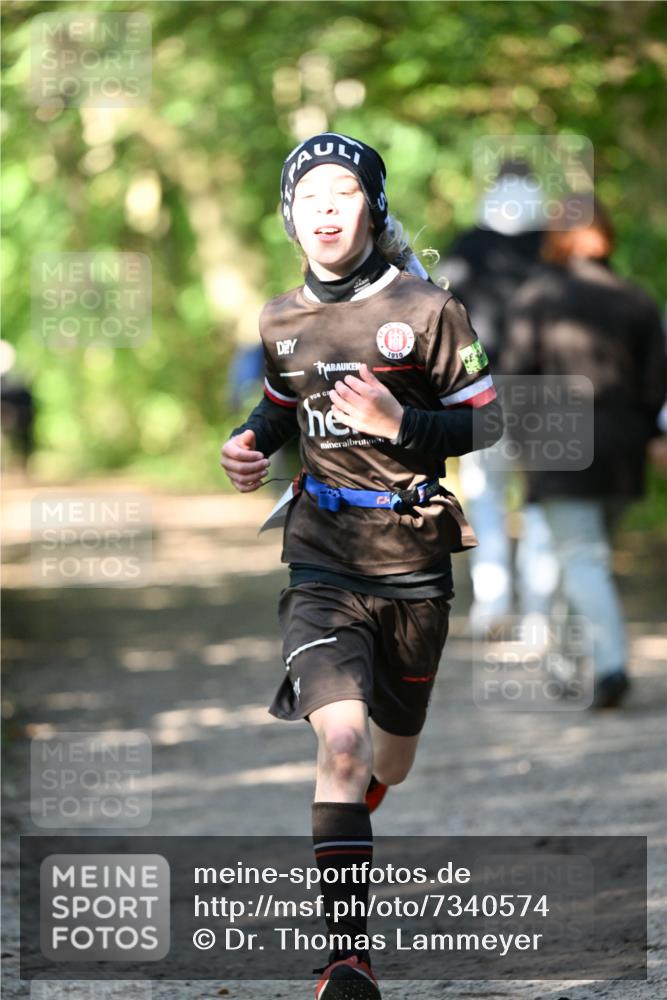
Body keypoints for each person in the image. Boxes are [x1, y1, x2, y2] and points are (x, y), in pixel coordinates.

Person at [220, 132, 504, 998]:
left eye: (344, 192)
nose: (326, 209)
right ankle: (347, 957)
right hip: (320, 558)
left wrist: (399, 425)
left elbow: (488, 423)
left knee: (391, 759)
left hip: (413, 566)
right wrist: (249, 443)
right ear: (289, 217)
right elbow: (279, 406)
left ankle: (366, 797)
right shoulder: (280, 320)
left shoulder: (427, 309)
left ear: (372, 208)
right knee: (338, 742)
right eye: (309, 197)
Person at [502, 195, 667, 709]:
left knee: (581, 558)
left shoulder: (535, 297)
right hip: (623, 449)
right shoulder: (636, 299)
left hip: (560, 445)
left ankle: (611, 665)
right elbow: (656, 383)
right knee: (585, 559)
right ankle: (565, 661)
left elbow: (512, 378)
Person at [437, 161, 557, 642]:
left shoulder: (468, 246)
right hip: (550, 389)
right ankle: (540, 614)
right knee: (542, 501)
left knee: (486, 496)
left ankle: (494, 604)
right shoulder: (555, 245)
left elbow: (442, 316)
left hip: (483, 388)